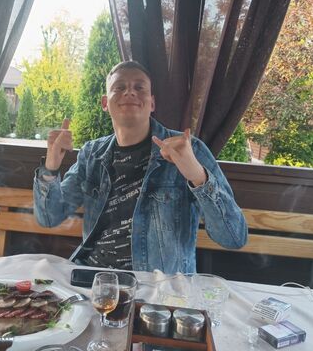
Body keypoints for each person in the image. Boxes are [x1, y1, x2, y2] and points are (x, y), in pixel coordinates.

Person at [33, 61, 247, 274]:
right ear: (105, 103)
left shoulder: (189, 150)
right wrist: (51, 166)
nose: (130, 92)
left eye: (139, 87)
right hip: (94, 280)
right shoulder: (91, 154)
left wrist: (198, 176)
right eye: (120, 87)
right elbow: (49, 217)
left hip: (156, 286)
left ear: (152, 103)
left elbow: (234, 237)